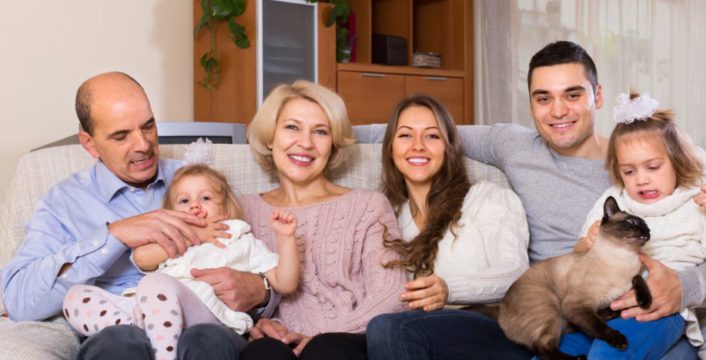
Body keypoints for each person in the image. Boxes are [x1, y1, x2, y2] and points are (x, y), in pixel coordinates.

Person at [355, 41, 706, 359]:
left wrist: (684, 285)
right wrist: (321, 136)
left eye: (572, 95)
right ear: (531, 105)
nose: (557, 111)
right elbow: (421, 133)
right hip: (552, 313)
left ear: (597, 96)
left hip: (637, 311)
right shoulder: (513, 145)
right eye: (543, 98)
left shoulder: (648, 165)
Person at [0, 72, 276, 360]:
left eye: (148, 126)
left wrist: (262, 291)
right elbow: (19, 299)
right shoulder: (64, 202)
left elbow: (247, 247)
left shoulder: (195, 182)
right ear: (89, 143)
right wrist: (113, 236)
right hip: (119, 325)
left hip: (204, 319)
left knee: (205, 339)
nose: (143, 145)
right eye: (121, 136)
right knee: (120, 344)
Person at [560, 91, 706, 357]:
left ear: (676, 161)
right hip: (600, 303)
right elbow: (578, 254)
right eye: (629, 171)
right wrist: (588, 243)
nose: (641, 180)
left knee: (607, 354)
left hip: (657, 310)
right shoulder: (615, 200)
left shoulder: (695, 204)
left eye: (652, 167)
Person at [63, 161, 301, 360]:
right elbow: (141, 257)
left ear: (225, 209)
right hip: (152, 309)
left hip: (208, 313)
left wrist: (286, 238)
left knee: (156, 283)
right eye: (184, 201)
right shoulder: (172, 239)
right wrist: (193, 235)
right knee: (75, 296)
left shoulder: (237, 237)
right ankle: (131, 325)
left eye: (205, 198)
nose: (194, 205)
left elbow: (285, 282)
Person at [238, 80, 406, 360]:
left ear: (333, 145)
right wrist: (253, 325)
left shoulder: (368, 205)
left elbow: (392, 294)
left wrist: (321, 335)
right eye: (292, 127)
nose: (305, 143)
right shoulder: (242, 210)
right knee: (262, 353)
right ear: (270, 136)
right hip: (275, 344)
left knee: (326, 350)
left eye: (320, 132)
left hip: (345, 340)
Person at [365, 94, 532, 359]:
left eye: (432, 136)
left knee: (387, 329)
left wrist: (449, 288)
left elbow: (516, 273)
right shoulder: (388, 218)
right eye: (405, 135)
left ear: (449, 146)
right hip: (422, 336)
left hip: (494, 329)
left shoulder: (487, 198)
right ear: (390, 148)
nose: (417, 146)